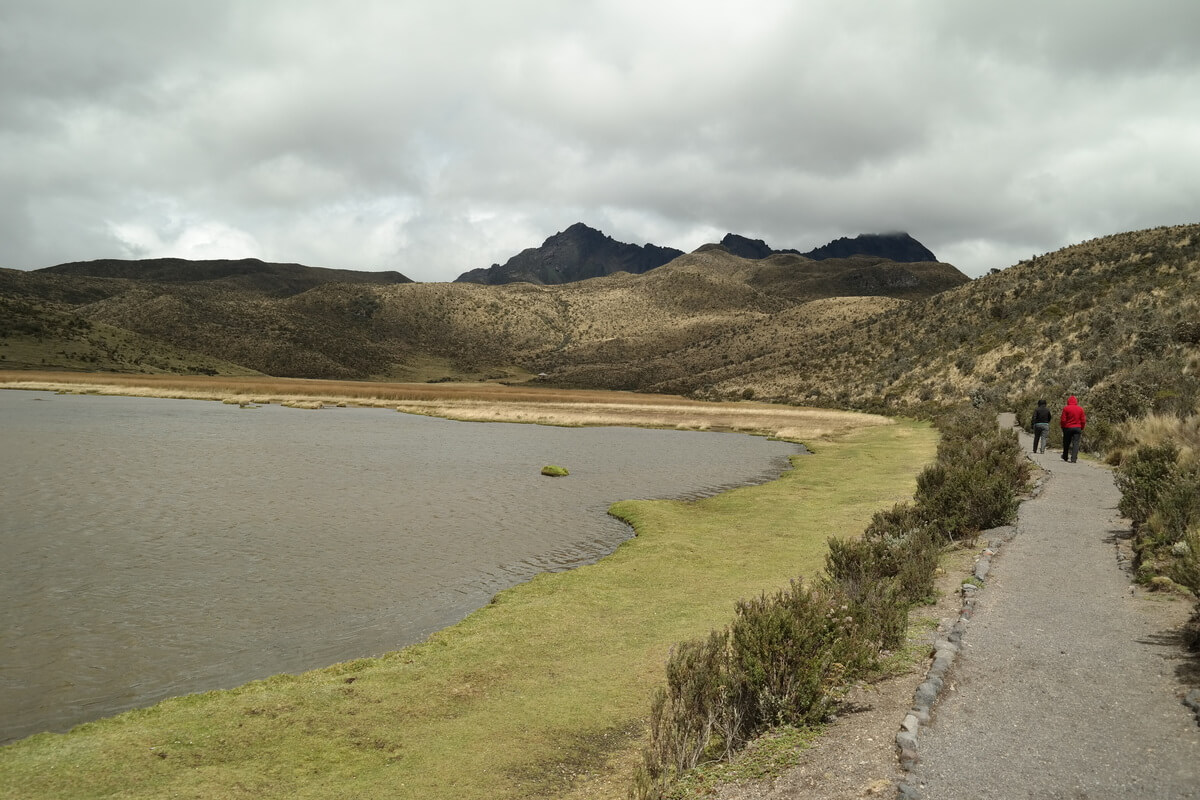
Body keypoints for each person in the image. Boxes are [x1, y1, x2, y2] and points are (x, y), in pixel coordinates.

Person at [1060, 395, 1086, 463]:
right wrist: (1082, 427)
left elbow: (1063, 420)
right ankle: (1073, 458)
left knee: (1066, 442)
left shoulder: (1066, 408)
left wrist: (1063, 427)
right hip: (1077, 428)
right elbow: (1083, 420)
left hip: (1068, 427)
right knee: (1076, 443)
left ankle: (1065, 456)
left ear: (1068, 401)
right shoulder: (1080, 409)